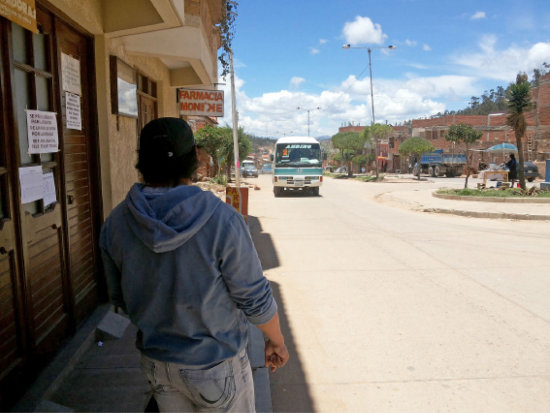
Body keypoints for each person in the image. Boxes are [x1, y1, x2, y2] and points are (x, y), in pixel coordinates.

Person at [99, 117, 289, 412]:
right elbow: (254, 298)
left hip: (157, 365)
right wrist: (276, 340)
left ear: (143, 163)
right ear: (192, 161)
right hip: (215, 367)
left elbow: (119, 298)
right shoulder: (222, 220)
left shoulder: (117, 222)